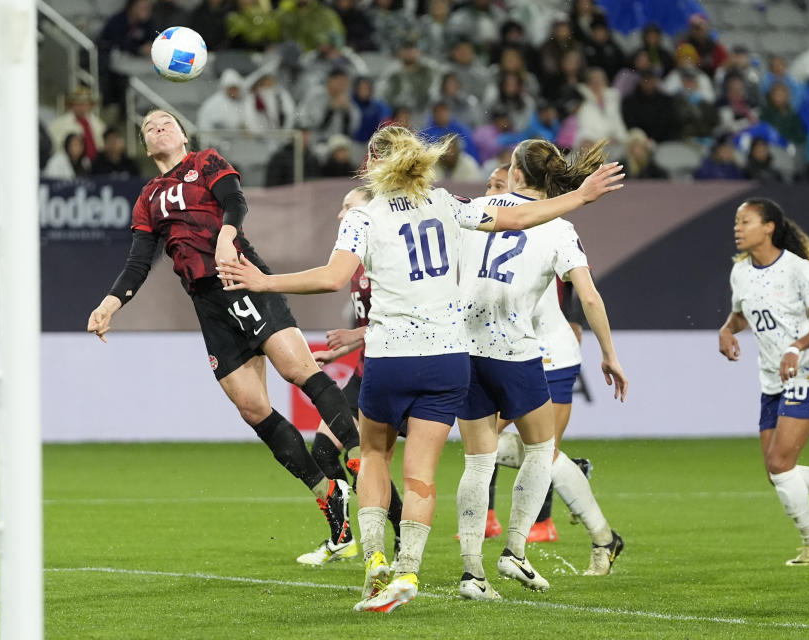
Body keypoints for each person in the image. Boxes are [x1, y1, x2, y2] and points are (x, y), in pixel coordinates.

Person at [215, 125, 624, 612]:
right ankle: (411, 567)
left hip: (389, 358)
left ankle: (375, 565)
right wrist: (578, 197)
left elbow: (331, 278)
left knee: (372, 457)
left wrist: (263, 281)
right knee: (423, 474)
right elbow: (520, 219)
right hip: (448, 360)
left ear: (372, 165)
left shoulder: (364, 216)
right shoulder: (447, 203)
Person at [87, 110, 365, 561]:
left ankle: (357, 459)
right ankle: (329, 493)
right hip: (207, 304)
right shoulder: (148, 197)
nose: (157, 127)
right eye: (148, 128)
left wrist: (227, 235)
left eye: (165, 122)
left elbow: (236, 202)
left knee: (298, 369)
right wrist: (110, 303)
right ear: (145, 146)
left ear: (183, 134)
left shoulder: (207, 163)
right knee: (252, 407)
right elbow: (139, 262)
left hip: (240, 278)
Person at [454, 139, 628, 599]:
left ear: (513, 171)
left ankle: (473, 574)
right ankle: (514, 551)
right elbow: (588, 296)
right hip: (516, 352)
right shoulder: (559, 229)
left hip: (465, 351)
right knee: (541, 450)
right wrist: (609, 354)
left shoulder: (476, 208)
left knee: (478, 463)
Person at [297, 186, 404, 566]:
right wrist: (344, 348)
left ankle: (403, 537)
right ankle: (341, 537)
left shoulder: (392, 256)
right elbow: (373, 323)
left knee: (368, 465)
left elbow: (402, 315)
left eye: (349, 207)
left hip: (396, 372)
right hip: (365, 370)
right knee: (325, 450)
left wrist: (354, 336)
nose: (342, 216)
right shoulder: (356, 260)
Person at [718, 198, 809, 566]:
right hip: (772, 378)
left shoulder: (799, 270)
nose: (738, 228)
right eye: (737, 222)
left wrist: (795, 347)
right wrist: (727, 330)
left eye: (746, 221)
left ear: (769, 226)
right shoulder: (740, 272)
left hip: (805, 371)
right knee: (776, 474)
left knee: (780, 463)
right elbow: (742, 314)